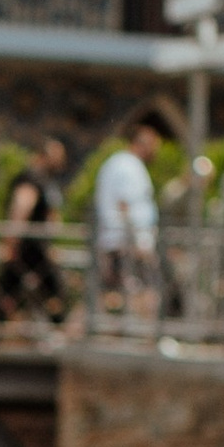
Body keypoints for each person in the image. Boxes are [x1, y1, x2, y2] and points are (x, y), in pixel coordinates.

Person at [92, 123, 162, 316]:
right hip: (125, 245)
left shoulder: (119, 163)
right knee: (137, 295)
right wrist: (140, 242)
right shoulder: (128, 166)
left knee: (112, 296)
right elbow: (125, 206)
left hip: (118, 242)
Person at [0, 141, 62, 323]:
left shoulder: (44, 181)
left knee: (9, 292)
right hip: (29, 250)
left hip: (36, 249)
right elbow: (21, 209)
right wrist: (10, 242)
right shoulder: (31, 179)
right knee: (53, 293)